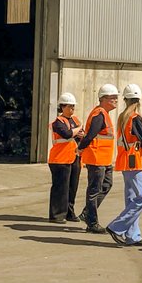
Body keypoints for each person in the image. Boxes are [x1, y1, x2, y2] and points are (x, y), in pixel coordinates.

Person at [105, 84, 142, 247]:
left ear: (125, 100)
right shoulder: (135, 117)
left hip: (124, 161)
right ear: (138, 100)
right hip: (133, 162)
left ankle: (133, 236)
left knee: (132, 199)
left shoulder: (122, 117)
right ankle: (116, 227)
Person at [78, 83, 119, 235]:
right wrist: (81, 147)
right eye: (112, 98)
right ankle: (92, 223)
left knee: (107, 185)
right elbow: (90, 135)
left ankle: (87, 213)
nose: (115, 100)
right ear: (103, 99)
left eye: (116, 97)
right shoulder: (99, 114)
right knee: (94, 190)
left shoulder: (104, 114)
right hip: (96, 158)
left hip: (104, 158)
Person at [48, 91, 85, 223]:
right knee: (60, 188)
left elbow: (81, 133)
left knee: (72, 187)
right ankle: (57, 215)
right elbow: (66, 134)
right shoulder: (58, 122)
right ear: (62, 107)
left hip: (74, 157)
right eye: (69, 106)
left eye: (73, 106)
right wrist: (77, 131)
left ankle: (69, 212)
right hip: (59, 159)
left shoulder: (75, 120)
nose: (72, 109)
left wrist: (80, 133)